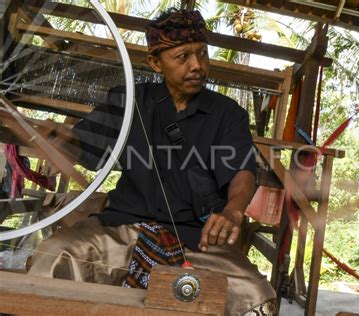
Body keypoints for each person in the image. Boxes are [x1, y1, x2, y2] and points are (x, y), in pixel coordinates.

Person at [28, 8, 277, 315]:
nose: (197, 65)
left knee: (256, 298)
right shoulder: (127, 100)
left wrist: (233, 210)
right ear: (155, 63)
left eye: (202, 53)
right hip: (121, 226)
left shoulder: (227, 114)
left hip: (196, 240)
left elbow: (242, 170)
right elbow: (85, 150)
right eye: (183, 57)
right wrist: (63, 140)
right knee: (53, 256)